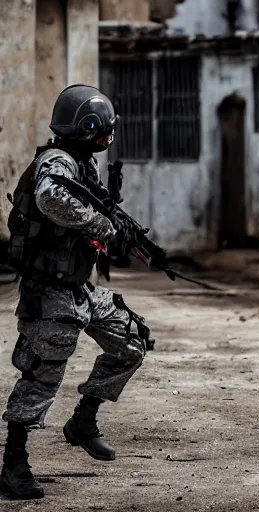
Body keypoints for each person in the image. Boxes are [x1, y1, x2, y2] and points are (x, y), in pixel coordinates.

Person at [0, 85, 150, 499]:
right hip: (48, 293)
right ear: (88, 129)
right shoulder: (57, 162)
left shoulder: (83, 165)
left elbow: (94, 209)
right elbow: (51, 199)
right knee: (43, 375)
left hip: (79, 288)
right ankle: (14, 464)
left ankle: (83, 420)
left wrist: (122, 235)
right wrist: (101, 227)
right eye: (102, 131)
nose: (107, 138)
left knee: (132, 341)